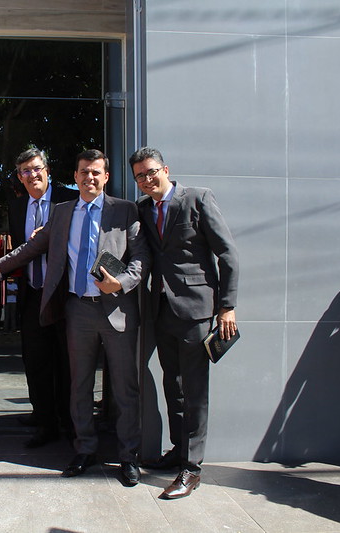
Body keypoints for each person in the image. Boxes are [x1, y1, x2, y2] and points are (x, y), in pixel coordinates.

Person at [0, 149, 149, 485]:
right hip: (77, 310)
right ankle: (85, 449)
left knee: (125, 387)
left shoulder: (125, 210)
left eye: (96, 173)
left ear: (106, 177)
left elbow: (141, 258)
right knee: (79, 385)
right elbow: (30, 249)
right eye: (84, 172)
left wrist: (122, 282)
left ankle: (128, 457)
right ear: (74, 176)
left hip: (116, 310)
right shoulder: (61, 213)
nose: (90, 178)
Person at [131, 147, 239, 499]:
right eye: (139, 177)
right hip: (161, 309)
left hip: (196, 310)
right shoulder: (144, 210)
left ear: (165, 169)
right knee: (172, 387)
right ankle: (179, 453)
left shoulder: (198, 199)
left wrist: (227, 307)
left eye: (150, 172)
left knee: (195, 392)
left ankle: (192, 470)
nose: (146, 181)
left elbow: (228, 254)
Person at [7, 147, 78, 448]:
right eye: (25, 171)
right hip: (33, 293)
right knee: (35, 361)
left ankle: (69, 420)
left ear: (48, 170)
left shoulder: (71, 199)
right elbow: (19, 252)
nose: (32, 175)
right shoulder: (16, 205)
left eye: (37, 168)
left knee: (67, 361)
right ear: (20, 177)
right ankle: (44, 419)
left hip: (65, 293)